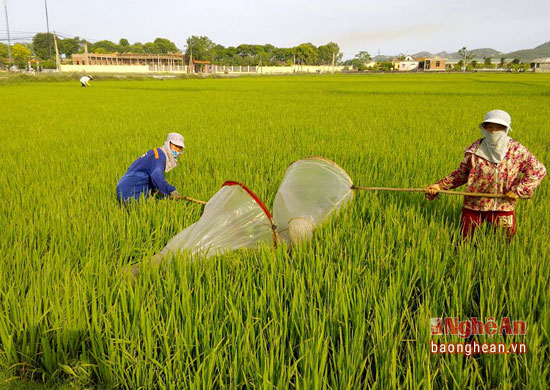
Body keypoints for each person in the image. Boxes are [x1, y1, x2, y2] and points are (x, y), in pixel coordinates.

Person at [425, 110, 546, 239]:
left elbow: (538, 170)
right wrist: (439, 186)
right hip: (474, 204)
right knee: (465, 239)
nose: (493, 131)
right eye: (489, 127)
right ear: (484, 128)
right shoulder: (475, 150)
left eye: (499, 127)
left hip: (503, 205)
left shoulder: (517, 151)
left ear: (506, 129)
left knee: (506, 242)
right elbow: (461, 174)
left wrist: (518, 190)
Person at [117, 133, 185, 204]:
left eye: (180, 148)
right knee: (143, 212)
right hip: (131, 189)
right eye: (176, 146)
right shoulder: (159, 156)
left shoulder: (156, 153)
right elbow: (156, 176)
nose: (178, 150)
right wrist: (170, 191)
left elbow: (144, 172)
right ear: (168, 143)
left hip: (127, 186)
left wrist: (155, 188)